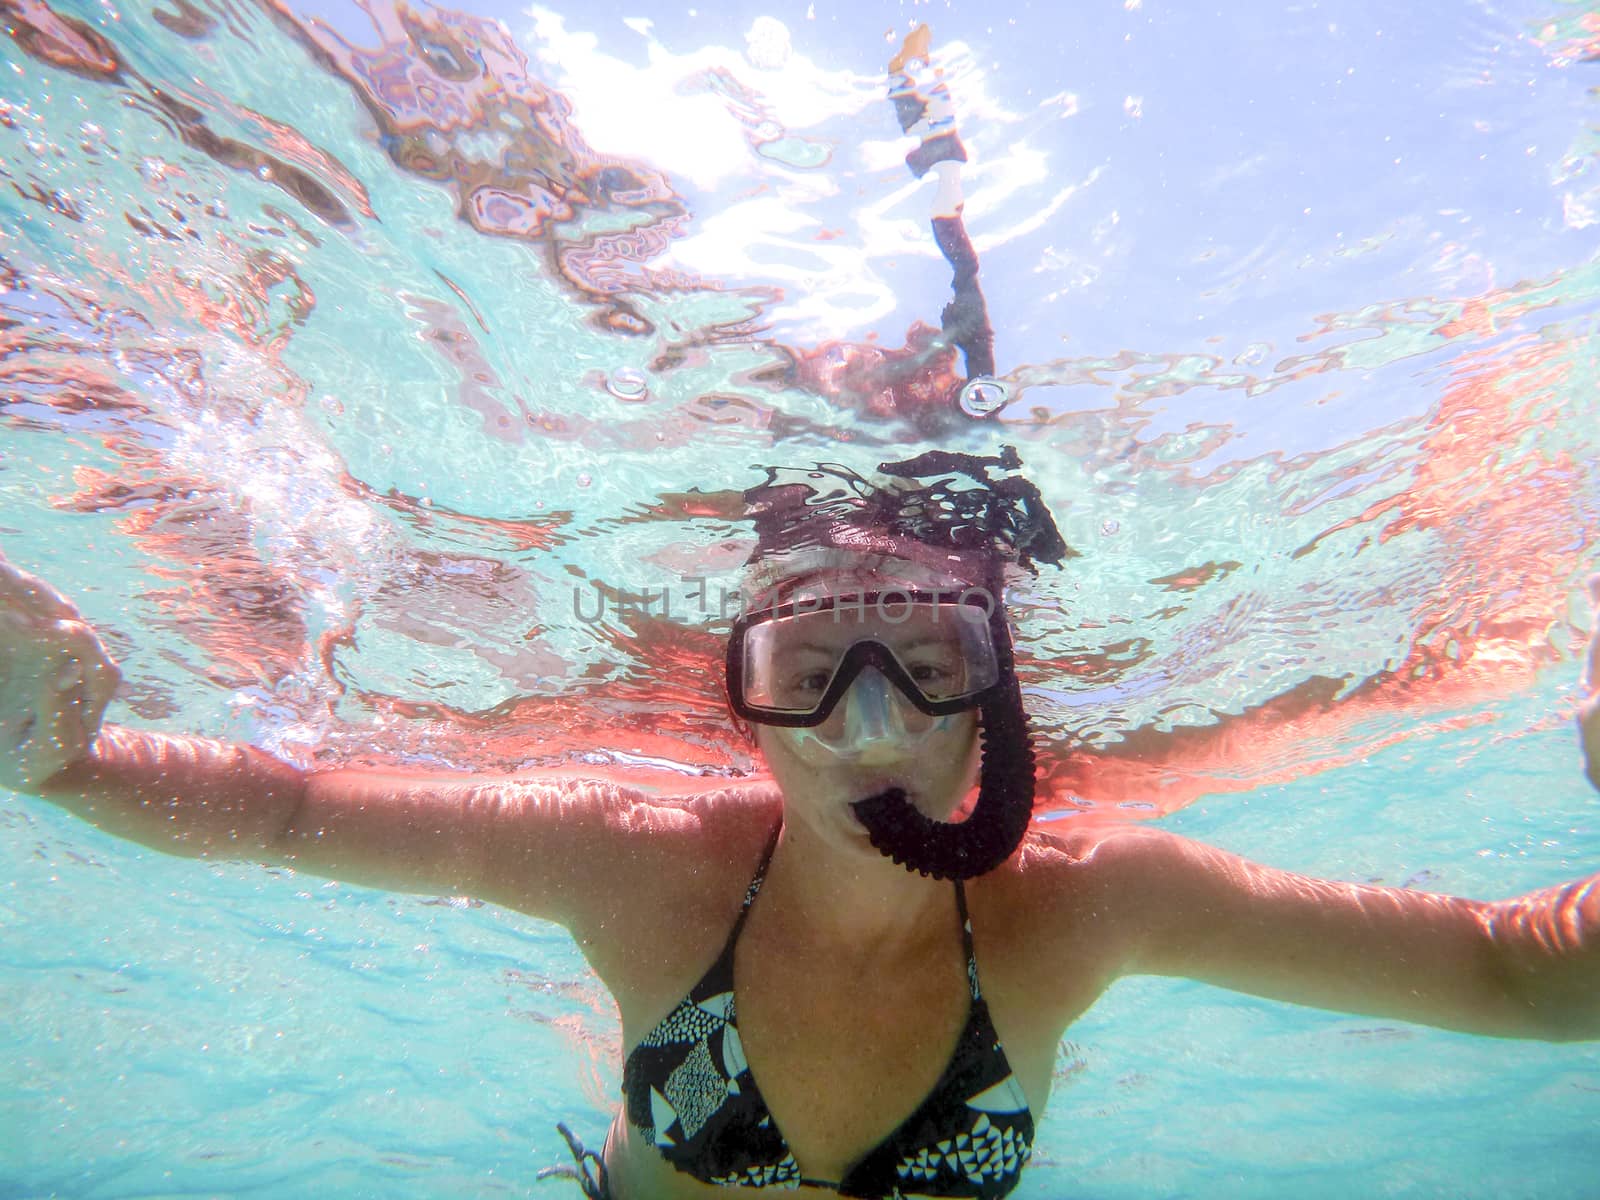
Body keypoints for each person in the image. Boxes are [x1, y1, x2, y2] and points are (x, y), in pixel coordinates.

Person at [2, 448, 1598, 1200]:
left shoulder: (1092, 902)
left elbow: (1516, 974)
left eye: (927, 666)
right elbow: (287, 811)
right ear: (741, 707)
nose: (875, 728)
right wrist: (59, 754)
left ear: (1001, 699)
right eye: (809, 674)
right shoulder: (635, 862)